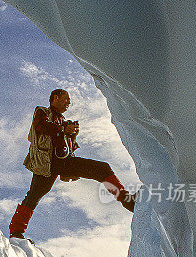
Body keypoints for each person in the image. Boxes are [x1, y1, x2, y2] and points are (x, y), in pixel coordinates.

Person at [9, 89, 136, 239]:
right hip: (46, 163)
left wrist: (72, 135)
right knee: (34, 196)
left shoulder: (63, 121)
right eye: (66, 99)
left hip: (62, 163)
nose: (68, 103)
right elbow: (40, 126)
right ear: (55, 98)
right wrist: (64, 129)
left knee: (102, 169)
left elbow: (67, 148)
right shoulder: (41, 111)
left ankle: (126, 199)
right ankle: (16, 232)